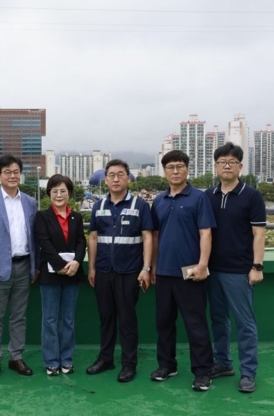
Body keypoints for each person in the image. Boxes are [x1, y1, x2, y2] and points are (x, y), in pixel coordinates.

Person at [150, 149, 215, 392]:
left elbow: (205, 233)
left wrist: (203, 265)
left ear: (187, 169)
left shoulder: (199, 198)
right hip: (164, 273)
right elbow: (155, 236)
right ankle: (167, 365)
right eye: (170, 167)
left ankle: (202, 372)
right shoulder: (159, 201)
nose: (175, 171)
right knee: (164, 323)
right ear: (164, 171)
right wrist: (152, 266)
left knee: (195, 324)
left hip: (191, 272)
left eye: (179, 166)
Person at [205, 142, 266, 393]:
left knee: (244, 322)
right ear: (216, 166)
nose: (227, 166)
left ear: (240, 166)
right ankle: (223, 363)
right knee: (218, 319)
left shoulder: (251, 195)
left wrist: (257, 266)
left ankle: (248, 372)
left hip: (240, 271)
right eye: (222, 162)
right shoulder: (208, 195)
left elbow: (259, 234)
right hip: (212, 270)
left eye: (232, 162)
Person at [86, 159, 153, 383]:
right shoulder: (98, 206)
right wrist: (92, 268)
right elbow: (93, 238)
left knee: (127, 320)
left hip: (129, 271)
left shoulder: (139, 205)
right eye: (111, 175)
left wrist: (146, 268)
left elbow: (147, 237)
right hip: (104, 270)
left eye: (120, 175)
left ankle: (129, 363)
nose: (116, 179)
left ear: (128, 179)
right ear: (105, 180)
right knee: (106, 318)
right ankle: (106, 359)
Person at [0, 154, 39, 381]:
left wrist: (35, 266)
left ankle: (16, 357)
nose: (12, 176)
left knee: (19, 316)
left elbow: (34, 237)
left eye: (16, 172)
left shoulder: (30, 202)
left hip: (24, 265)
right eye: (7, 172)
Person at [34, 174, 86, 376]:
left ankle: (66, 359)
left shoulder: (77, 217)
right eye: (54, 191)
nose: (59, 194)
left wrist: (76, 262)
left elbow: (81, 241)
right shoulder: (42, 216)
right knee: (49, 319)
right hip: (51, 274)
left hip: (72, 273)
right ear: (49, 193)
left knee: (68, 319)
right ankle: (51, 361)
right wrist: (60, 265)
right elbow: (43, 242)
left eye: (63, 190)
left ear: (69, 193)